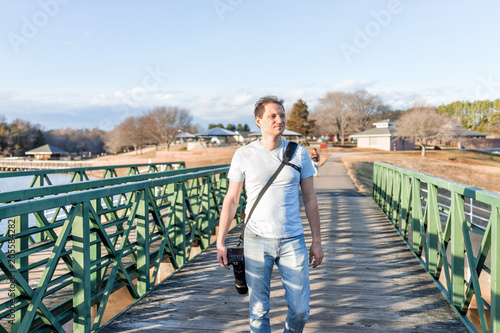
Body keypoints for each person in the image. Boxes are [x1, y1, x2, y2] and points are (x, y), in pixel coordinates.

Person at [217, 95, 323, 333]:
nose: (279, 120)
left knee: (300, 310)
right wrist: (220, 241)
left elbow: (310, 199)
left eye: (282, 115)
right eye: (273, 116)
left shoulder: (299, 153)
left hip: (293, 240)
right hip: (256, 240)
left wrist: (317, 241)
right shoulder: (243, 154)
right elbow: (232, 200)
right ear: (258, 121)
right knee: (258, 311)